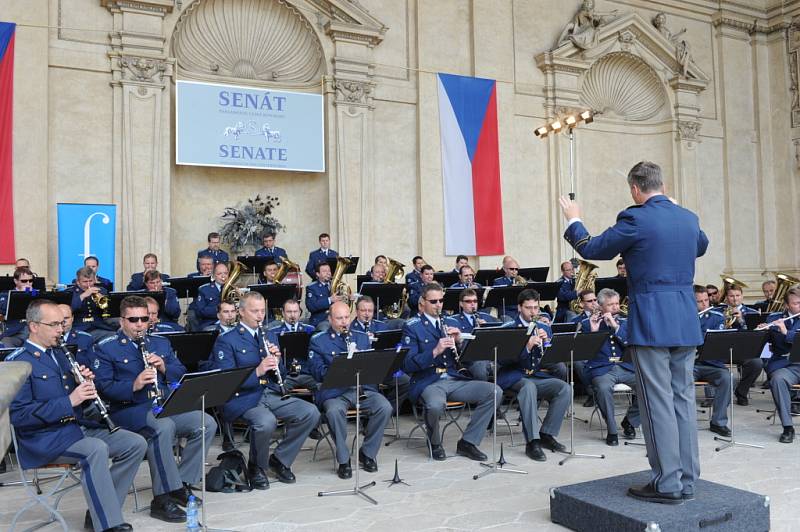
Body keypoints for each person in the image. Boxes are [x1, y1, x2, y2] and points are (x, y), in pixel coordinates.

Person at [561, 160, 708, 504]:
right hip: (685, 321)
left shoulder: (635, 218)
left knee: (657, 402)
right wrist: (673, 207)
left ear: (635, 189)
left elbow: (591, 248)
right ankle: (687, 479)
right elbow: (700, 245)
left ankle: (667, 483)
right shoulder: (688, 217)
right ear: (663, 185)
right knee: (683, 401)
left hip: (653, 323)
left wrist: (573, 217)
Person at [9, 299, 146, 532]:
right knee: (95, 449)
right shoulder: (19, 362)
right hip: (44, 439)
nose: (60, 330)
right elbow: (19, 416)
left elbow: (76, 401)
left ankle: (99, 511)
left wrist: (84, 383)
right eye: (53, 325)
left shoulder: (60, 355)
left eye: (62, 324)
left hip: (75, 428)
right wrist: (70, 400)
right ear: (33, 326)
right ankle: (108, 523)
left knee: (135, 443)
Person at [93, 296, 216, 523]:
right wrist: (135, 384)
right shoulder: (106, 348)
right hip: (128, 410)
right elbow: (103, 387)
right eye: (133, 319)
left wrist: (164, 366)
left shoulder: (160, 343)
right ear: (122, 321)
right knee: (163, 427)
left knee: (206, 422)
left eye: (144, 318)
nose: (140, 324)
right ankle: (161, 498)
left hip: (162, 405)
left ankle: (181, 483)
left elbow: (180, 374)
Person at [210, 291, 320, 488]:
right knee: (266, 421)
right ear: (241, 312)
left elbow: (283, 374)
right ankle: (256, 467)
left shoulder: (268, 334)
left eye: (262, 311)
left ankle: (280, 460)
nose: (260, 315)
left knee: (309, 412)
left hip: (269, 392)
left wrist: (278, 361)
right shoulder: (227, 340)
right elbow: (226, 380)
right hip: (243, 398)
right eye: (255, 311)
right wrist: (259, 370)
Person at [402, 282, 502, 461]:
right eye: (433, 301)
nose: (438, 305)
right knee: (434, 405)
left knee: (494, 391)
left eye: (441, 300)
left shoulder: (451, 322)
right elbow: (408, 365)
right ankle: (434, 442)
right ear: (422, 303)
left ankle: (468, 442)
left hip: (454, 378)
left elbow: (468, 360)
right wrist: (434, 351)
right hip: (429, 381)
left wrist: (460, 342)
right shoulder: (412, 326)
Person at [309, 301, 393, 478]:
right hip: (335, 391)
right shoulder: (319, 341)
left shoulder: (361, 337)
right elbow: (317, 372)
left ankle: (368, 453)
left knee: (384, 407)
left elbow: (371, 366)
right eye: (339, 318)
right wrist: (342, 366)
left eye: (347, 317)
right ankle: (343, 459)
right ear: (330, 319)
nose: (344, 322)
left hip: (362, 388)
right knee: (333, 412)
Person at [497, 289, 570, 461]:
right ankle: (532, 442)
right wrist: (527, 347)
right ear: (519, 308)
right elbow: (503, 361)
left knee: (564, 388)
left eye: (536, 308)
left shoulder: (543, 327)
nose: (533, 312)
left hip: (533, 375)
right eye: (528, 308)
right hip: (512, 376)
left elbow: (548, 359)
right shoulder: (509, 328)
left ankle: (547, 434)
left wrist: (546, 345)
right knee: (528, 387)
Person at [579, 288, 640, 446]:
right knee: (603, 388)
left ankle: (630, 421)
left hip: (625, 367)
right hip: (601, 368)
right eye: (610, 304)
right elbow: (584, 353)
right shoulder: (587, 324)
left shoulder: (625, 322)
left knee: (649, 386)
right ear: (600, 306)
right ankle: (612, 430)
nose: (615, 307)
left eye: (617, 303)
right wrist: (593, 332)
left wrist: (616, 327)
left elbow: (630, 344)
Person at [350, 295, 410, 412]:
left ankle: (389, 410)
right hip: (363, 372)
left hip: (382, 368)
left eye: (370, 311)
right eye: (363, 310)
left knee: (405, 381)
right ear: (357, 311)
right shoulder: (351, 329)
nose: (367, 314)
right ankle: (375, 411)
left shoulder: (381, 326)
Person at [762, 285, 800, 443]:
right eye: (796, 303)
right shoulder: (774, 318)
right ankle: (788, 427)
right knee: (777, 380)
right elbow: (763, 348)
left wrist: (786, 332)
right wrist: (761, 333)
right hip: (784, 365)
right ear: (786, 305)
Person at [693, 286, 731, 437]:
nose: (704, 305)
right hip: (691, 364)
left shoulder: (717, 316)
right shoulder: (683, 317)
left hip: (712, 363)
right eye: (699, 301)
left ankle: (718, 422)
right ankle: (685, 421)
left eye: (706, 300)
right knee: (681, 380)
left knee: (727, 378)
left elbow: (715, 341)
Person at [715, 284, 760, 405]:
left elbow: (754, 335)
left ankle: (741, 392)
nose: (735, 299)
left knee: (756, 363)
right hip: (721, 350)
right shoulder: (717, 312)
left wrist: (741, 320)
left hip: (742, 351)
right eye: (731, 296)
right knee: (709, 361)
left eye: (737, 295)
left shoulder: (752, 313)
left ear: (742, 296)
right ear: (726, 297)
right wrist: (722, 320)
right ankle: (714, 397)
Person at [444, 288, 499, 381]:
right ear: (461, 304)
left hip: (489, 356)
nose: (472, 304)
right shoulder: (453, 320)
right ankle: (485, 393)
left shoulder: (486, 317)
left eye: (475, 301)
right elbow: (456, 346)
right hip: (469, 361)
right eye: (468, 301)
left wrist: (487, 328)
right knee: (480, 367)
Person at [267, 299, 317, 391]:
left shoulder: (310, 330)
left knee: (322, 388)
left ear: (299, 313)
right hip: (286, 375)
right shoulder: (273, 332)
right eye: (289, 312)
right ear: (283, 313)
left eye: (295, 312)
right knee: (278, 390)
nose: (293, 315)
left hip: (307, 374)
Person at [70, 266, 117, 342]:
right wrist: (83, 295)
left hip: (99, 326)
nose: (88, 285)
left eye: (91, 281)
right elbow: (69, 309)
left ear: (95, 280)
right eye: (85, 282)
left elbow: (110, 312)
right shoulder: (71, 293)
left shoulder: (102, 290)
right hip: (80, 328)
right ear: (78, 282)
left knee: (116, 335)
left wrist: (103, 300)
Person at [0, 267, 36, 346]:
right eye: (24, 281)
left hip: (35, 330)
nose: (28, 283)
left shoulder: (35, 293)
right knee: (5, 343)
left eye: (30, 281)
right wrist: (21, 295)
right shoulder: (6, 295)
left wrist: (29, 294)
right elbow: (3, 310)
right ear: (16, 281)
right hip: (15, 332)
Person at [305, 261, 342, 329]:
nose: (328, 273)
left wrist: (349, 298)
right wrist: (329, 300)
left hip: (337, 319)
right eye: (324, 271)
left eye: (329, 271)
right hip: (321, 320)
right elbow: (311, 306)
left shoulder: (336, 285)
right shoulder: (312, 287)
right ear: (318, 274)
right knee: (325, 328)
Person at [193, 262, 230, 331]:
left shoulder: (232, 289)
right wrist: (220, 309)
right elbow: (200, 311)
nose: (223, 276)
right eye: (219, 274)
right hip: (211, 323)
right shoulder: (204, 290)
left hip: (230, 323)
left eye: (225, 273)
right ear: (213, 276)